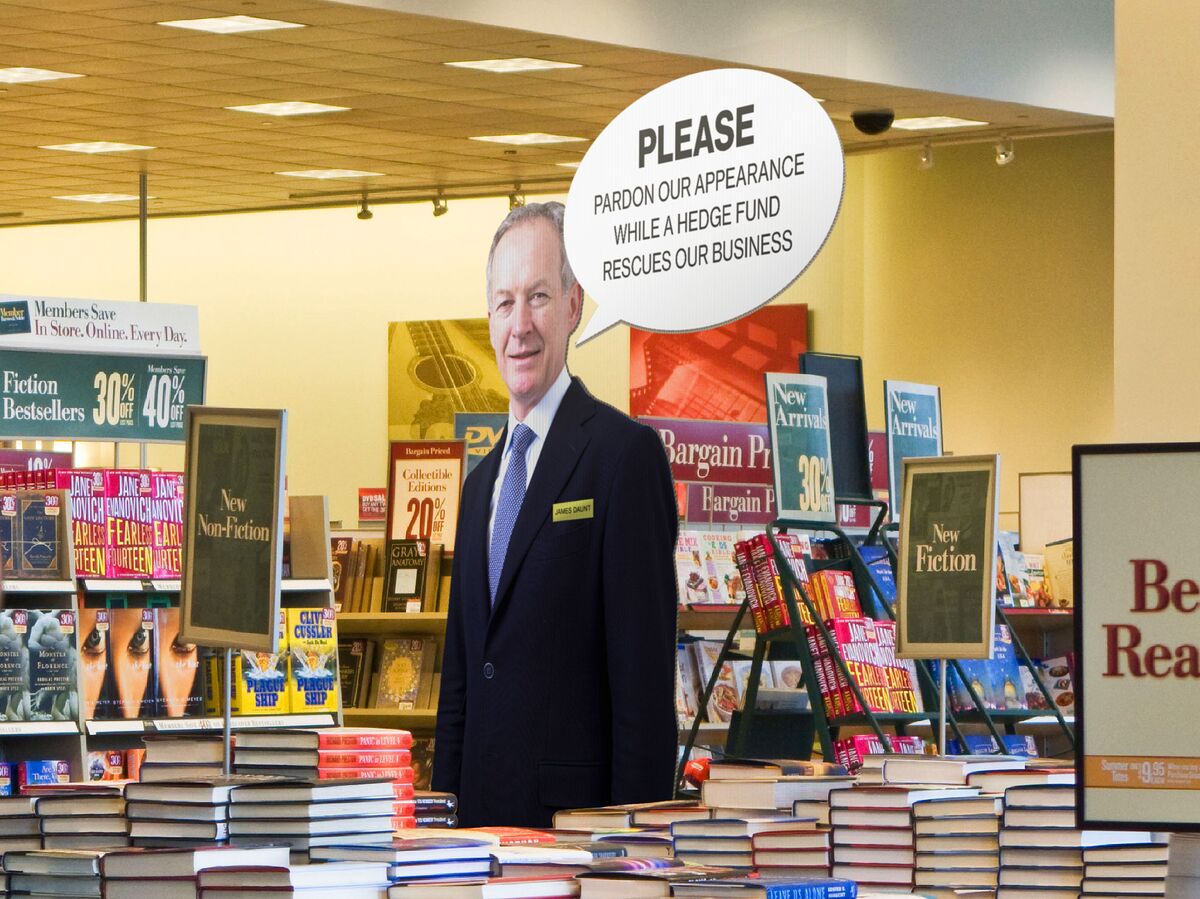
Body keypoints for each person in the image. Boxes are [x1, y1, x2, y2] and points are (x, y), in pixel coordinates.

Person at [431, 201, 679, 828]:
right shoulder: (481, 482)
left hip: (575, 841)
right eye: (505, 301)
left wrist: (629, 862)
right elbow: (460, 685)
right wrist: (438, 833)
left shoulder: (623, 459)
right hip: (477, 840)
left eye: (538, 297)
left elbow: (643, 695)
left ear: (574, 306)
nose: (521, 325)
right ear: (488, 317)